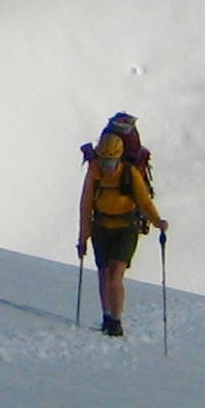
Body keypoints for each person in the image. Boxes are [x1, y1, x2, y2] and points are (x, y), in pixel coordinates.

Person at [76, 116, 166, 338]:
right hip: (101, 227)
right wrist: (83, 238)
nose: (107, 167)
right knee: (104, 273)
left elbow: (144, 201)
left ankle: (115, 321)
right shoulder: (94, 173)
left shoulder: (129, 173)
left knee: (114, 275)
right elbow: (85, 207)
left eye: (110, 162)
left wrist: (158, 222)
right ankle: (108, 316)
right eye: (103, 162)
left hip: (126, 227)